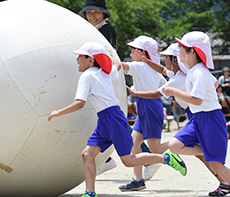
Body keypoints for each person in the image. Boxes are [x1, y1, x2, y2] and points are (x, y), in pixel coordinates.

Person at [48, 42, 189, 197]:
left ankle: (166, 158)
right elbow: (116, 64)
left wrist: (59, 112)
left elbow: (80, 103)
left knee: (128, 160)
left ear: (90, 60)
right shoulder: (105, 72)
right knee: (87, 155)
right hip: (105, 119)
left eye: (80, 57)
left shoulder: (87, 76)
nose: (77, 60)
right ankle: (90, 193)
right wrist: (107, 53)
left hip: (113, 119)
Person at [128, 42, 230, 196]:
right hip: (197, 112)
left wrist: (137, 94)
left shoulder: (182, 77)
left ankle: (225, 181)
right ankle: (224, 181)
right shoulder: (184, 73)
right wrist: (146, 61)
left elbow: (157, 94)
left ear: (175, 60)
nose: (164, 61)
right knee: (200, 154)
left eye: (167, 58)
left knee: (198, 153)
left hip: (195, 113)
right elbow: (165, 71)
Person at [159, 31, 230, 197]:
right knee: (174, 146)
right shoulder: (194, 70)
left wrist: (173, 90)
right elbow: (215, 83)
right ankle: (212, 148)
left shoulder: (199, 72)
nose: (178, 51)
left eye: (181, 47)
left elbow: (197, 100)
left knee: (217, 166)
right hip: (198, 118)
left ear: (191, 51)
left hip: (210, 118)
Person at [119, 36, 187, 192]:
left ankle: (170, 157)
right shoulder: (152, 68)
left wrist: (105, 54)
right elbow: (165, 86)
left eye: (132, 50)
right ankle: (137, 180)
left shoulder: (139, 66)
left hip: (149, 105)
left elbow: (120, 66)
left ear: (140, 52)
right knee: (134, 144)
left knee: (154, 148)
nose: (130, 53)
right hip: (147, 106)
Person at [79, 0, 118, 175]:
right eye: (89, 13)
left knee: (113, 120)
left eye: (96, 12)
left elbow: (107, 56)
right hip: (98, 78)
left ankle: (146, 156)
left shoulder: (106, 30)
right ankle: (106, 159)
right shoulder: (90, 30)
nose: (92, 16)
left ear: (104, 14)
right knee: (108, 120)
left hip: (103, 79)